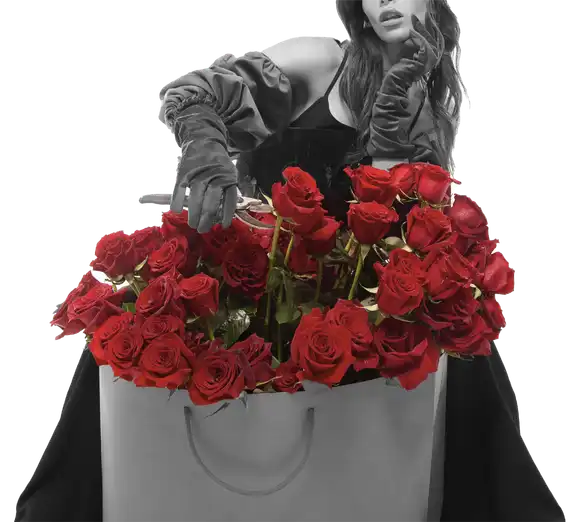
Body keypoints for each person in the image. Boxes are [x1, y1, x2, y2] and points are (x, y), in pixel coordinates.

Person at [14, 1, 566, 521]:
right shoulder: (322, 59)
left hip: (347, 295)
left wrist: (395, 142)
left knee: (461, 333)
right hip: (258, 278)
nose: (383, 2)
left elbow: (394, 232)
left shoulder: (431, 106)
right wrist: (206, 147)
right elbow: (197, 92)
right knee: (134, 316)